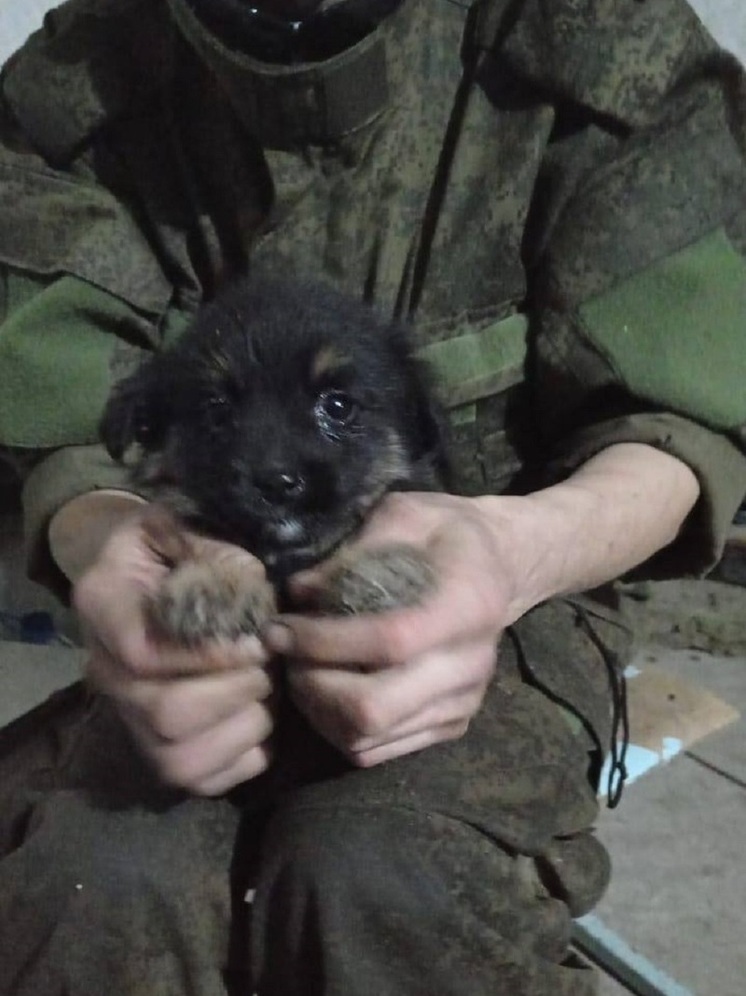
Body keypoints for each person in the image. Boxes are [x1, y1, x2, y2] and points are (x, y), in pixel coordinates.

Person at [1, 0, 745, 992]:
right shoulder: (79, 75)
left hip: (518, 599)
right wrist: (100, 531)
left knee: (384, 872)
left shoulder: (602, 37)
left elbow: (681, 413)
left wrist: (513, 550)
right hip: (181, 579)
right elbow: (58, 396)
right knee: (92, 876)